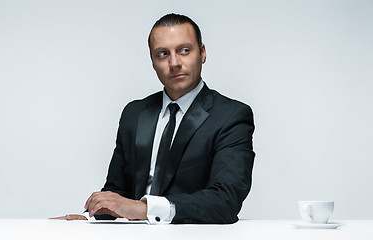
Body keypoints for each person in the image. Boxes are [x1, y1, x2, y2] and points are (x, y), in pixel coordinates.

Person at [52, 13, 255, 224]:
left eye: (184, 50)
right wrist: (89, 218)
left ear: (202, 53)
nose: (174, 62)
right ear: (152, 61)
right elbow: (117, 193)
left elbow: (225, 201)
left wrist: (145, 209)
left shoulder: (231, 116)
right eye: (162, 54)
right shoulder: (134, 113)